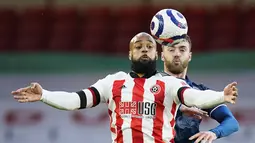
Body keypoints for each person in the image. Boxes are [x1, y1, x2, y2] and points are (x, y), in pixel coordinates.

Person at [11, 32, 238, 143]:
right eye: (138, 46)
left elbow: (195, 97)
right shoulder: (113, 82)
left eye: (149, 46)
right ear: (130, 53)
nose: (144, 50)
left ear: (156, 54)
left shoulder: (168, 83)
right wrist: (44, 95)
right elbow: (75, 100)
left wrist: (221, 96)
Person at [160, 34, 239, 143]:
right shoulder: (149, 86)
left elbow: (231, 122)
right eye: (171, 50)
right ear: (162, 55)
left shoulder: (199, 93)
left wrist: (214, 132)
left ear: (190, 56)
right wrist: (178, 109)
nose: (177, 54)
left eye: (182, 50)